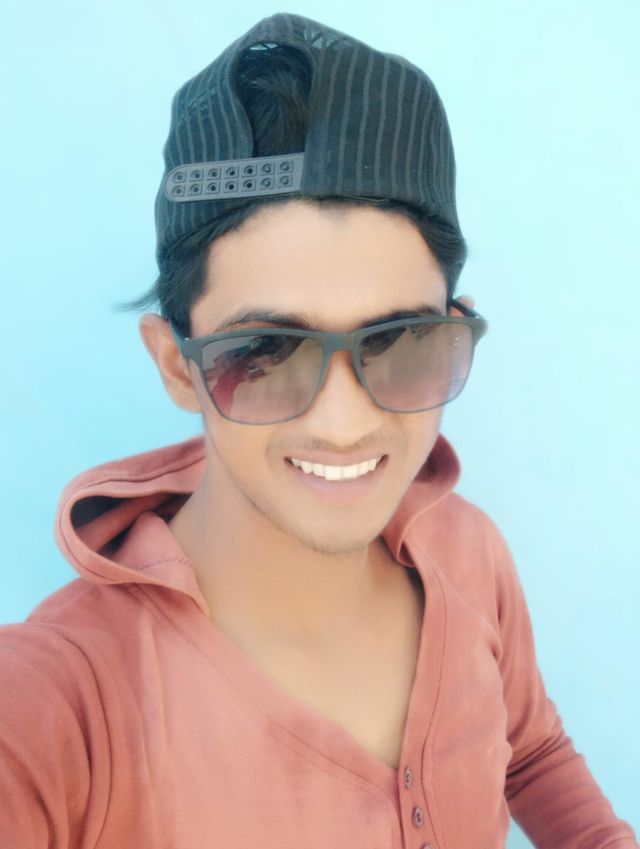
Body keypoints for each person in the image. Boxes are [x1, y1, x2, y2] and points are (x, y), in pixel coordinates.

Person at [0, 12, 637, 849]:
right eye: (264, 352)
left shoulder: (469, 555)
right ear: (176, 366)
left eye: (400, 340)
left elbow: (533, 750)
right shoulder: (62, 701)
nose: (344, 421)